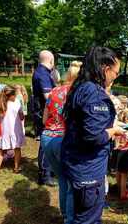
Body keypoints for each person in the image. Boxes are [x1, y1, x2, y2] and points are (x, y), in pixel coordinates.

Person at [61, 46, 125, 224]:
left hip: (76, 162)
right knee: (87, 219)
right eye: (116, 72)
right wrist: (113, 131)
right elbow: (93, 136)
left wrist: (111, 124)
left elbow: (84, 123)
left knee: (77, 214)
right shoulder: (94, 94)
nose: (115, 77)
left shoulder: (81, 87)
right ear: (105, 69)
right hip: (87, 168)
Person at [41, 60, 82, 223]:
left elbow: (45, 119)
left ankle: (65, 215)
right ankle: (70, 219)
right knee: (72, 183)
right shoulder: (78, 93)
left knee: (62, 179)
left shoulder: (53, 91)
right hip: (65, 140)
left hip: (47, 138)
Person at [32, 50, 56, 186]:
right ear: (51, 61)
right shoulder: (42, 74)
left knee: (48, 142)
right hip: (44, 114)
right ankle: (44, 175)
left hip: (44, 112)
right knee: (45, 144)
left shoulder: (43, 73)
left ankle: (49, 170)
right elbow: (48, 96)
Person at [0, 86, 25, 173]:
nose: (16, 96)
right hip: (15, 130)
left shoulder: (0, 103)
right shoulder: (16, 102)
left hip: (4, 130)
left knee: (1, 150)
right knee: (17, 148)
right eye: (15, 95)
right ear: (11, 95)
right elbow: (21, 117)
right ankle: (16, 167)